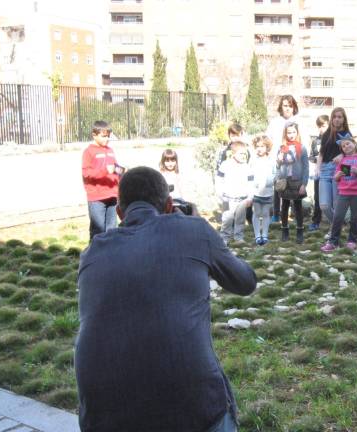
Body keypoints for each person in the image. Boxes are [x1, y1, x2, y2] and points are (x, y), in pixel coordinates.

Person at [75, 166, 256, 432]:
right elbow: (245, 282)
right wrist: (200, 229)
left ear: (119, 212)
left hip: (102, 415)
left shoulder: (92, 253)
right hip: (193, 410)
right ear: (170, 205)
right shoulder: (193, 229)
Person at [320, 138, 357, 252]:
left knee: (355, 218)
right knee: (337, 217)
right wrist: (338, 176)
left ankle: (352, 241)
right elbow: (336, 177)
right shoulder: (342, 161)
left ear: (354, 143)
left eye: (348, 143)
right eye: (343, 146)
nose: (346, 146)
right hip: (343, 193)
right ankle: (333, 242)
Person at [81, 120, 125, 242]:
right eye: (103, 136)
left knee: (112, 229)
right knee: (98, 230)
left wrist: (123, 171)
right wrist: (104, 171)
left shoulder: (110, 150)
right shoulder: (89, 152)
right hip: (97, 198)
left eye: (108, 136)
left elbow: (115, 168)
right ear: (94, 135)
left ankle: (111, 255)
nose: (107, 139)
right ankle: (95, 256)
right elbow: (86, 174)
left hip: (112, 195)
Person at [266, 95, 302, 222]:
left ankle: (296, 214)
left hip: (294, 160)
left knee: (294, 186)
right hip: (278, 160)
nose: (287, 108)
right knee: (278, 186)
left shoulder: (299, 121)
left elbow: (303, 141)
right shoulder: (275, 122)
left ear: (294, 107)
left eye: (290, 106)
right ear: (281, 107)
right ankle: (276, 214)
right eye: (285, 105)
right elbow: (268, 140)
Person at [317, 107, 352, 228]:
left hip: (341, 169)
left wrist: (342, 155)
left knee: (338, 204)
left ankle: (334, 230)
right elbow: (321, 153)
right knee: (324, 205)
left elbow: (353, 152)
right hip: (325, 169)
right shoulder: (327, 133)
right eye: (334, 117)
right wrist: (317, 168)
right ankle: (337, 224)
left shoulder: (347, 134)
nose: (336, 119)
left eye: (339, 117)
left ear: (344, 119)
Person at [276, 121, 309, 244]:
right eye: (289, 132)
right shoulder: (281, 148)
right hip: (285, 181)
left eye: (293, 132)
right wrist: (279, 161)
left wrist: (304, 184)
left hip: (297, 181)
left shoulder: (302, 147)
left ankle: (300, 230)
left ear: (297, 133)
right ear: (285, 134)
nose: (291, 135)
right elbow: (278, 166)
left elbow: (306, 167)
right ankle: (285, 229)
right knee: (284, 207)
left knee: (298, 207)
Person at [214, 123, 253, 226]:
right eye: (233, 135)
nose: (235, 138)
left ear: (241, 135)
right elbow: (219, 168)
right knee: (228, 211)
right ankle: (229, 227)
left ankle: (250, 224)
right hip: (229, 185)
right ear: (229, 136)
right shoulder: (224, 151)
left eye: (237, 135)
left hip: (242, 184)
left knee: (246, 207)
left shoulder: (246, 151)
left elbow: (249, 166)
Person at [216, 141, 254, 245]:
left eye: (244, 154)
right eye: (240, 154)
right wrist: (220, 195)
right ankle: (225, 238)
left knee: (240, 219)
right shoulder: (225, 165)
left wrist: (250, 197)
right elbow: (219, 180)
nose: (243, 156)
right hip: (228, 199)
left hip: (242, 199)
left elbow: (251, 183)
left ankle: (239, 237)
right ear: (233, 153)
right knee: (227, 220)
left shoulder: (247, 167)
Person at [250, 135, 276, 246]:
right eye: (257, 146)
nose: (259, 148)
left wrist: (271, 180)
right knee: (256, 213)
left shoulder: (271, 160)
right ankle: (257, 235)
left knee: (265, 213)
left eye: (262, 146)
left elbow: (275, 173)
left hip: (268, 192)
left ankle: (264, 234)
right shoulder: (253, 160)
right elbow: (249, 175)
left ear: (267, 147)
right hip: (255, 192)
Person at [308, 114, 330, 231]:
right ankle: (316, 221)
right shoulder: (315, 141)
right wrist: (316, 159)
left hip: (332, 174)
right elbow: (311, 157)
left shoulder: (335, 139)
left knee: (333, 199)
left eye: (324, 125)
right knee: (317, 198)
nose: (322, 128)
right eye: (319, 126)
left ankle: (334, 222)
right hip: (318, 174)